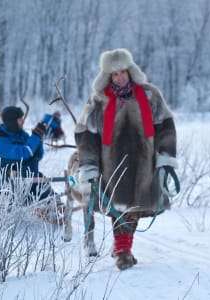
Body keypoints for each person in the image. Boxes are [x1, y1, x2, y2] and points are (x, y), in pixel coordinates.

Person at [74, 48, 178, 270]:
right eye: (114, 74)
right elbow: (85, 134)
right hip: (113, 166)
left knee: (136, 208)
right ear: (108, 77)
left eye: (122, 72)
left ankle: (123, 247)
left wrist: (166, 155)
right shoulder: (99, 100)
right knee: (118, 208)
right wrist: (89, 164)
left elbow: (166, 126)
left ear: (130, 71)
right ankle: (123, 251)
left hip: (144, 164)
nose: (119, 77)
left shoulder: (150, 95)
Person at [0, 106, 61, 208]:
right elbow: (24, 153)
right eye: (20, 119)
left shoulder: (22, 135)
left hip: (32, 180)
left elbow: (37, 156)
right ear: (12, 122)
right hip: (10, 186)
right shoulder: (0, 141)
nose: (23, 121)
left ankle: (56, 210)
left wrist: (39, 138)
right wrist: (35, 137)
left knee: (48, 192)